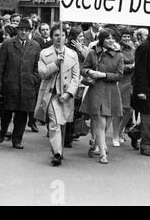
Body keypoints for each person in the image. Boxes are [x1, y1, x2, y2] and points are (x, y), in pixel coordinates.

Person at [34, 24, 80, 166]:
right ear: (51, 37)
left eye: (62, 35)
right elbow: (42, 73)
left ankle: (58, 149)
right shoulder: (44, 53)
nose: (59, 38)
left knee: (62, 122)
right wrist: (56, 63)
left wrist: (69, 93)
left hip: (64, 95)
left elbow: (75, 77)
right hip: (50, 94)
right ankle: (57, 153)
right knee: (54, 123)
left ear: (66, 37)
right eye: (56, 35)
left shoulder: (73, 55)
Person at [0, 18, 41, 149]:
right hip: (10, 84)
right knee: (7, 112)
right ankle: (3, 130)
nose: (23, 32)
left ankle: (17, 139)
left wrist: (34, 79)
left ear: (30, 31)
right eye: (21, 30)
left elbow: (37, 66)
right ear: (17, 31)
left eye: (26, 30)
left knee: (22, 113)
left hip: (27, 86)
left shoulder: (35, 46)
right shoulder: (8, 44)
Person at [79, 29, 124, 164]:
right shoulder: (93, 53)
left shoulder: (118, 56)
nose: (111, 41)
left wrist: (103, 75)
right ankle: (103, 154)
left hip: (111, 91)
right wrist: (89, 72)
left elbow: (119, 75)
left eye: (113, 38)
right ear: (102, 40)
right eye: (108, 38)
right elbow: (83, 69)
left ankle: (95, 144)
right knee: (101, 122)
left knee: (106, 123)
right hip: (96, 91)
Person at [129, 26, 150, 156]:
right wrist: (141, 90)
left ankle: (135, 133)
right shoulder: (144, 47)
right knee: (147, 117)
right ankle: (145, 145)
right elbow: (140, 70)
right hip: (146, 88)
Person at [0, 25, 17, 138]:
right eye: (4, 34)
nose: (4, 36)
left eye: (7, 35)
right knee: (5, 108)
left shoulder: (17, 47)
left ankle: (11, 130)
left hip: (16, 81)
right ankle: (4, 129)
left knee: (15, 109)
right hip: (4, 82)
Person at [111, 27, 135, 147]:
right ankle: (115, 135)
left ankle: (120, 132)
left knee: (129, 110)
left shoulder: (132, 48)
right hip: (119, 81)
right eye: (124, 36)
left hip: (130, 81)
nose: (127, 38)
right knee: (118, 110)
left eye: (128, 36)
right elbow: (116, 65)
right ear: (120, 37)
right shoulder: (116, 48)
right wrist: (129, 67)